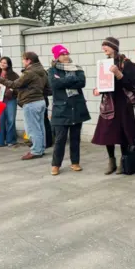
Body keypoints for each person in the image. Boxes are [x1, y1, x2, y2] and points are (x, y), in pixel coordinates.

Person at [92, 37, 135, 175]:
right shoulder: (103, 63)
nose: (104, 48)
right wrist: (98, 89)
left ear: (114, 47)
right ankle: (111, 160)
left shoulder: (126, 63)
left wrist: (119, 74)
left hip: (123, 102)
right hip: (109, 102)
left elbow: (132, 85)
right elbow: (103, 82)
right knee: (107, 132)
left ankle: (123, 161)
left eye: (106, 45)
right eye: (103, 46)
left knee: (123, 132)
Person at [0, 52, 51, 160]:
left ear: (29, 60)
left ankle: (36, 151)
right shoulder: (43, 71)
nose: (22, 61)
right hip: (41, 101)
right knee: (40, 127)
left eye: (23, 59)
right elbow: (49, 89)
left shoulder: (29, 72)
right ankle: (40, 148)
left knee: (33, 129)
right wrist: (37, 92)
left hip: (31, 103)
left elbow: (15, 84)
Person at [47, 45, 91, 176]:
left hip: (77, 107)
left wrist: (64, 81)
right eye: (62, 54)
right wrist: (71, 79)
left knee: (75, 137)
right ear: (57, 57)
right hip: (61, 109)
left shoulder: (77, 68)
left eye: (66, 53)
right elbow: (54, 85)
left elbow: (81, 82)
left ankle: (75, 162)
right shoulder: (52, 70)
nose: (66, 56)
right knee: (60, 139)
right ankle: (56, 164)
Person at [0, 57, 19, 147]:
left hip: (10, 100)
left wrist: (12, 91)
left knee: (11, 120)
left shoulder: (14, 75)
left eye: (5, 63)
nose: (2, 64)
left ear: (9, 64)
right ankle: (0, 142)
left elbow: (18, 86)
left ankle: (11, 140)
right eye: (1, 62)